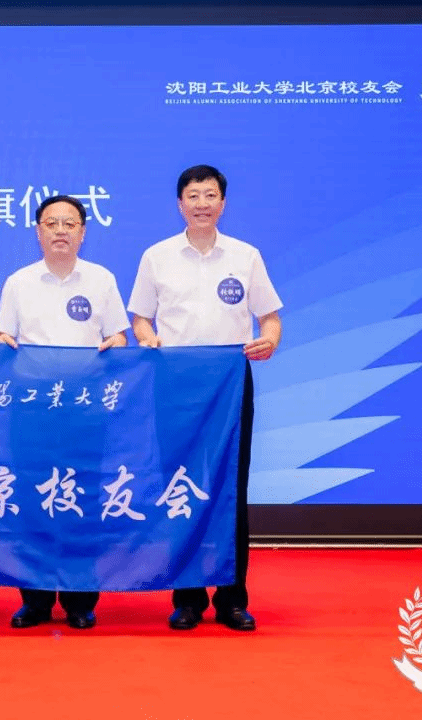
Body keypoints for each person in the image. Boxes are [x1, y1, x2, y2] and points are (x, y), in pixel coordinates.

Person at [128, 165, 282, 632]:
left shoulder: (245, 256)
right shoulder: (157, 256)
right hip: (174, 384)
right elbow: (140, 318)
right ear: (180, 204)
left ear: (223, 203)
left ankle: (232, 599)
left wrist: (270, 340)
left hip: (228, 387)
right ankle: (188, 598)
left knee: (230, 489)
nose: (201, 203)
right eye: (193, 195)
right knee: (180, 486)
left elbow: (270, 318)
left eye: (210, 195)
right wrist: (147, 338)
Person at [0, 195, 129, 630]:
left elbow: (120, 338)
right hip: (33, 409)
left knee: (81, 498)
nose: (60, 230)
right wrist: (0, 344)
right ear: (38, 231)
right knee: (32, 498)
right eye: (51, 223)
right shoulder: (19, 282)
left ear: (83, 232)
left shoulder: (102, 280)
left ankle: (79, 599)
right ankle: (34, 599)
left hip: (85, 410)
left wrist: (116, 344)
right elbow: (0, 337)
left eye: (69, 223)